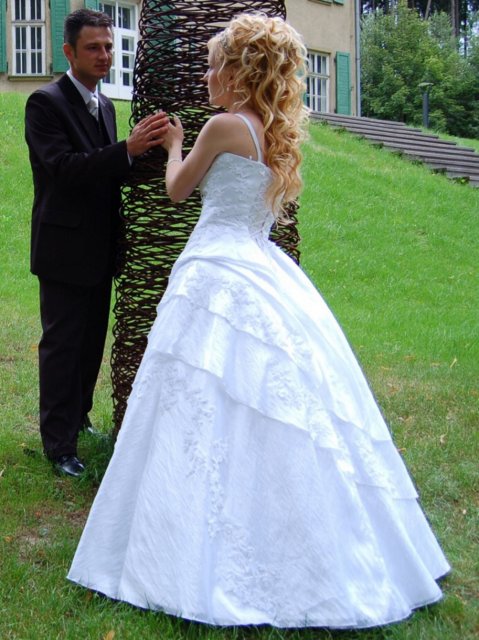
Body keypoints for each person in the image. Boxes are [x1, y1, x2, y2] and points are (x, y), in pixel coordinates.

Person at [67, 13, 450, 628]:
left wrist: (173, 146)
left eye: (213, 65)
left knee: (203, 393)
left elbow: (177, 190)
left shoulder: (222, 126)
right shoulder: (275, 131)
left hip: (217, 267)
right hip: (260, 263)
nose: (206, 75)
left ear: (239, 72)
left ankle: (188, 542)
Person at [25, 9, 169, 478]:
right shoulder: (44, 103)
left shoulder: (105, 105)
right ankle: (58, 445)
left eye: (108, 46)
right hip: (63, 249)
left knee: (90, 344)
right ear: (69, 51)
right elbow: (63, 169)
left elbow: (106, 171)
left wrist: (147, 156)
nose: (105, 55)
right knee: (62, 347)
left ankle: (80, 417)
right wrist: (125, 150)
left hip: (100, 247)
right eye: (93, 47)